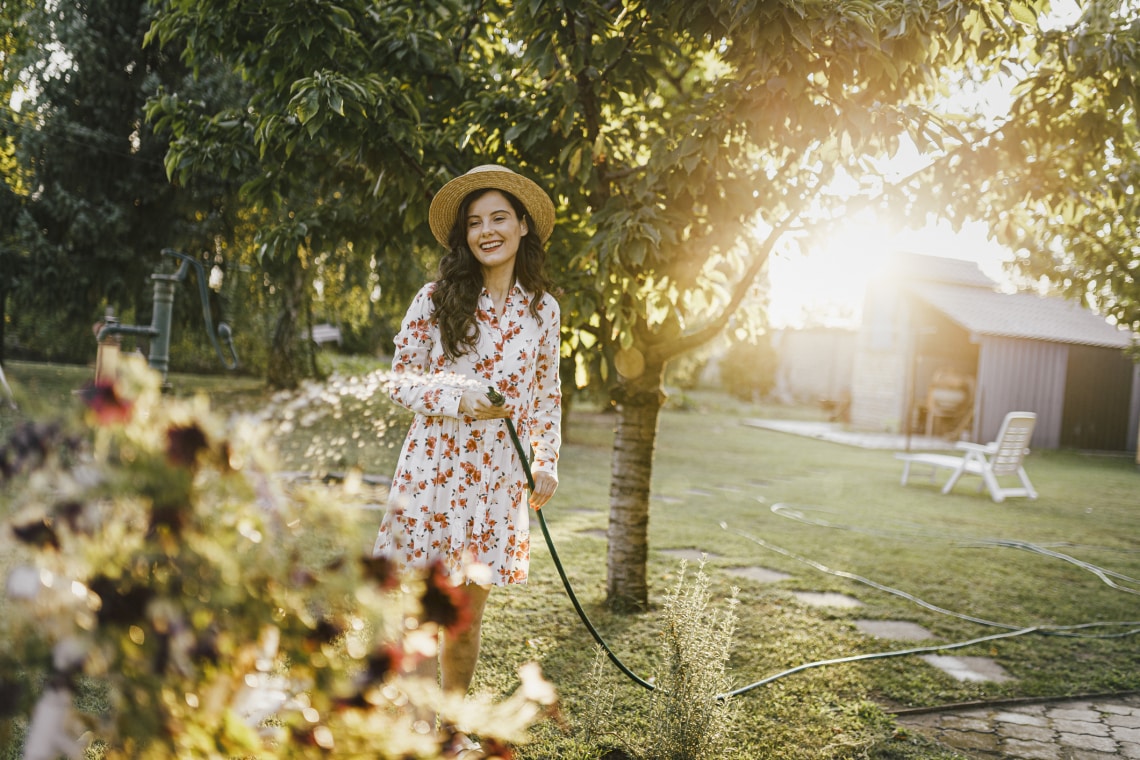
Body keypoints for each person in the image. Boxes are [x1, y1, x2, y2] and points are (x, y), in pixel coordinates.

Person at [373, 164, 561, 707]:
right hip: (435, 471)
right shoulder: (435, 298)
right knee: (424, 616)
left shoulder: (543, 309)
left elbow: (547, 397)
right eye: (475, 222)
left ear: (523, 225)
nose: (487, 231)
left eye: (499, 217)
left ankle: (452, 724)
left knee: (465, 622)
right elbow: (401, 380)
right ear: (465, 235)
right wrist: (459, 400)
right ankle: (417, 730)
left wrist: (545, 460)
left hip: (498, 481)